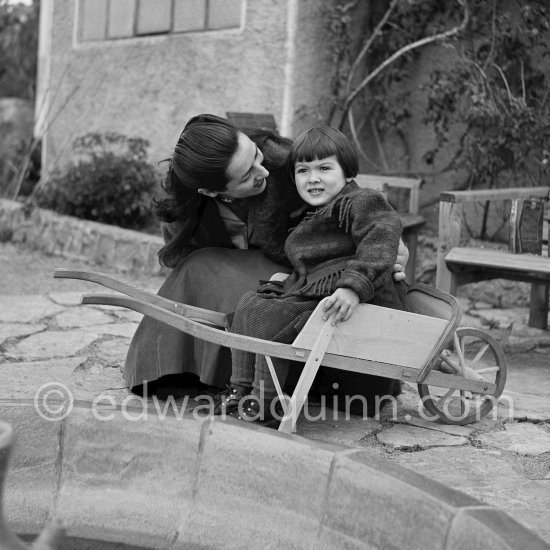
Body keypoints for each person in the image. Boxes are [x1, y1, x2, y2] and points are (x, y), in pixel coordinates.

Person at [124, 114, 409, 399]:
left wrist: (389, 254)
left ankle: (266, 386)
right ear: (210, 191)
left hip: (309, 275)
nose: (263, 172)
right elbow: (181, 256)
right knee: (199, 270)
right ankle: (192, 373)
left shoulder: (288, 163)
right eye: (247, 175)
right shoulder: (184, 202)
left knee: (257, 304)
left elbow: (367, 213)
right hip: (250, 271)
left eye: (256, 156)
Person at [215, 126, 407, 422]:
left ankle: (266, 402)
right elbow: (314, 264)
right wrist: (290, 281)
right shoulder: (313, 213)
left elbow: (380, 238)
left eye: (324, 168)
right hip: (318, 292)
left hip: (353, 298)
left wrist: (353, 287)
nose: (313, 178)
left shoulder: (362, 201)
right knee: (249, 304)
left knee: (271, 323)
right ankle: (240, 388)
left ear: (348, 172)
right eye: (303, 171)